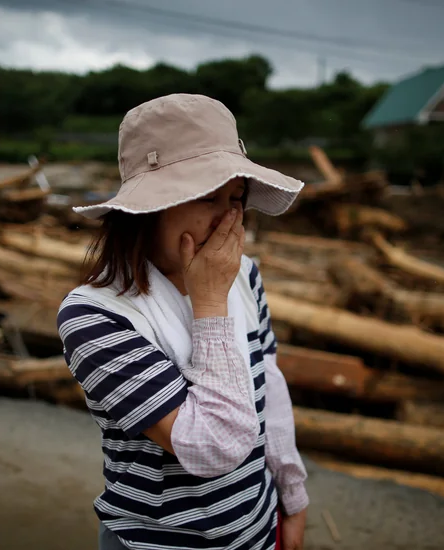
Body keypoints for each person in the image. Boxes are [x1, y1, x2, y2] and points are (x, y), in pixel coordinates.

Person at [57, 93, 309, 550]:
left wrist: (291, 494)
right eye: (208, 196)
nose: (228, 217)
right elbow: (213, 446)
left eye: (236, 197)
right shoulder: (95, 315)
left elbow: (268, 386)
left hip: (257, 527)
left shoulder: (244, 275)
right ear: (152, 207)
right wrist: (210, 302)